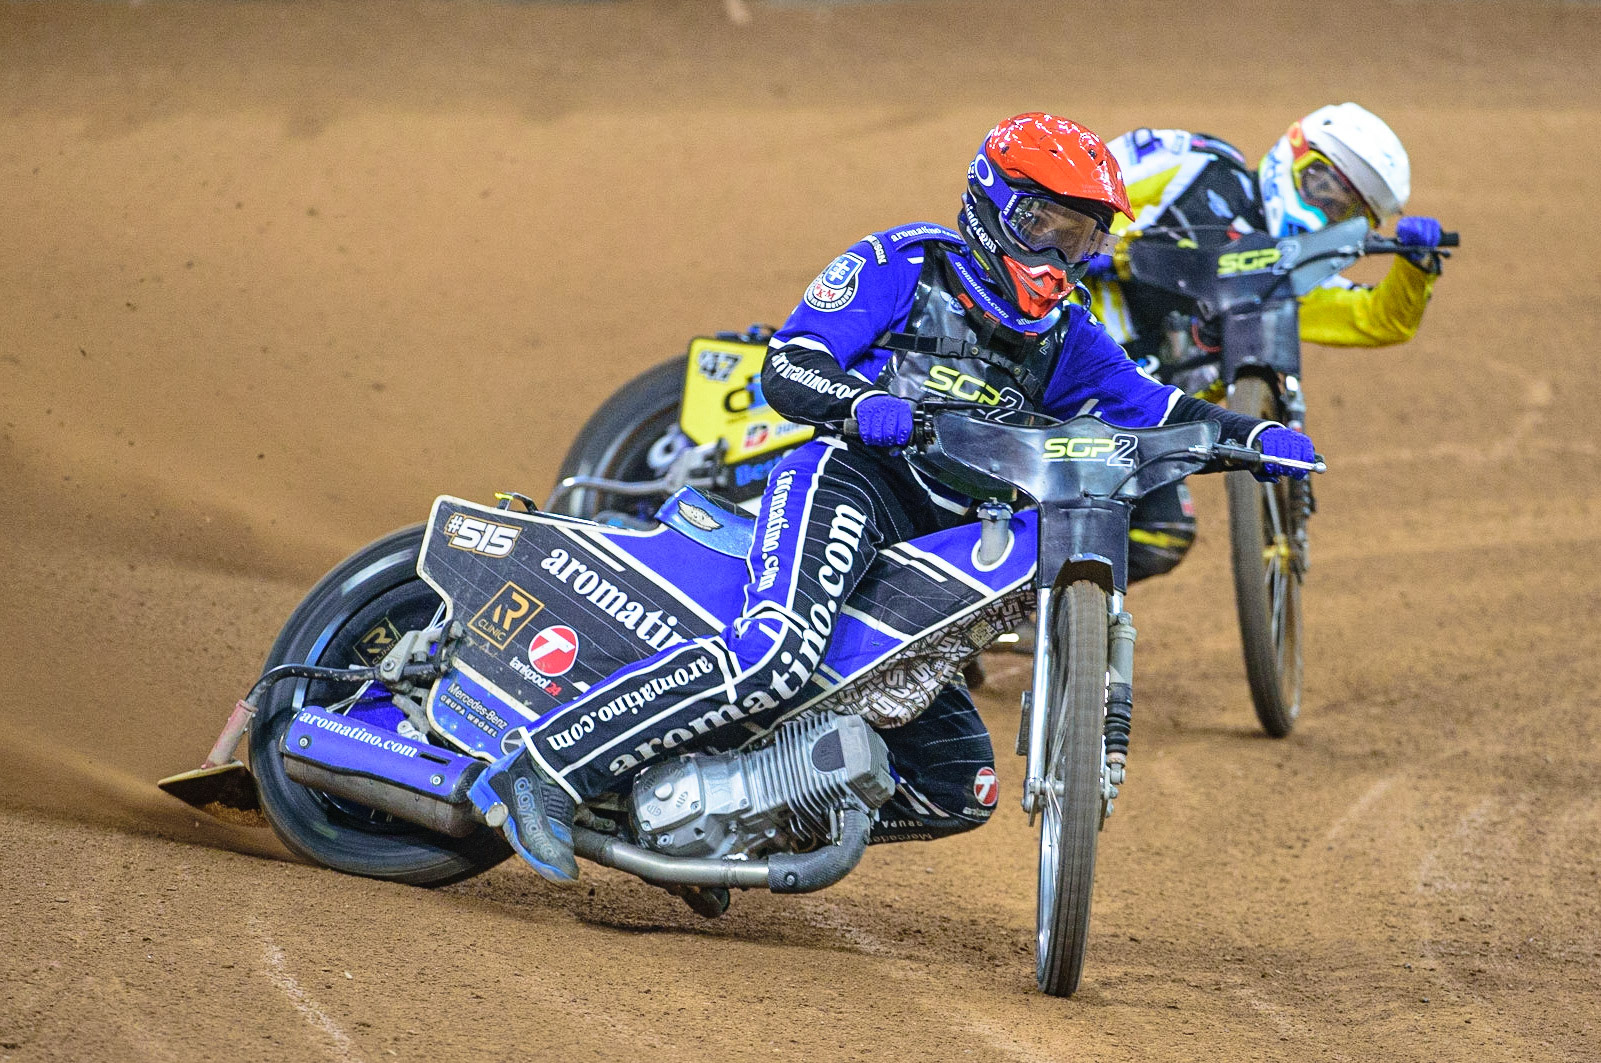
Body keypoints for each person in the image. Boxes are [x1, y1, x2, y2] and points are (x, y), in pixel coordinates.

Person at [469, 112, 1318, 885]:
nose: (1057, 260)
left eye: (1080, 239)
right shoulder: (902, 264)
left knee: (964, 785)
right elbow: (789, 364)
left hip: (947, 539)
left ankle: (736, 824)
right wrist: (857, 403)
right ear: (991, 206)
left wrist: (1252, 439)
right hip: (853, 484)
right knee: (776, 654)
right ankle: (541, 769)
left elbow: (1161, 408)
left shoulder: (1070, 337)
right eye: (1042, 229)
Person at [1080, 104, 1447, 581]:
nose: (1322, 215)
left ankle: (1045, 623)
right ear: (1293, 154)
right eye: (1323, 189)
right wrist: (1103, 244)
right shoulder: (1198, 164)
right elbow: (1088, 186)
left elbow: (1380, 319)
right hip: (1069, 347)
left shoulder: (1293, 283)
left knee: (1164, 533)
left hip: (1142, 419)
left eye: (1345, 212)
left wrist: (1416, 270)